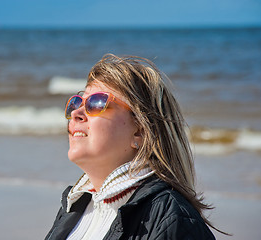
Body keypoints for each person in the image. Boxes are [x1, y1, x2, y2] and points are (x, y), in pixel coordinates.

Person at [45, 54, 220, 239]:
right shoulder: (75, 207)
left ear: (140, 131)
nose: (76, 113)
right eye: (77, 103)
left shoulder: (172, 217)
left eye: (96, 102)